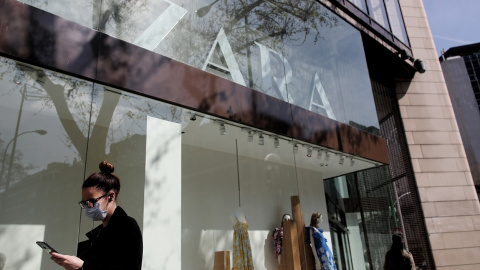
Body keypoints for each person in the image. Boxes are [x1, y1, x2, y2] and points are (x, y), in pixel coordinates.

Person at [50, 161, 143, 270]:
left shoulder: (127, 225)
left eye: (91, 201)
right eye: (84, 203)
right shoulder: (99, 232)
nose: (88, 207)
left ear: (111, 196)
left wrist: (82, 266)